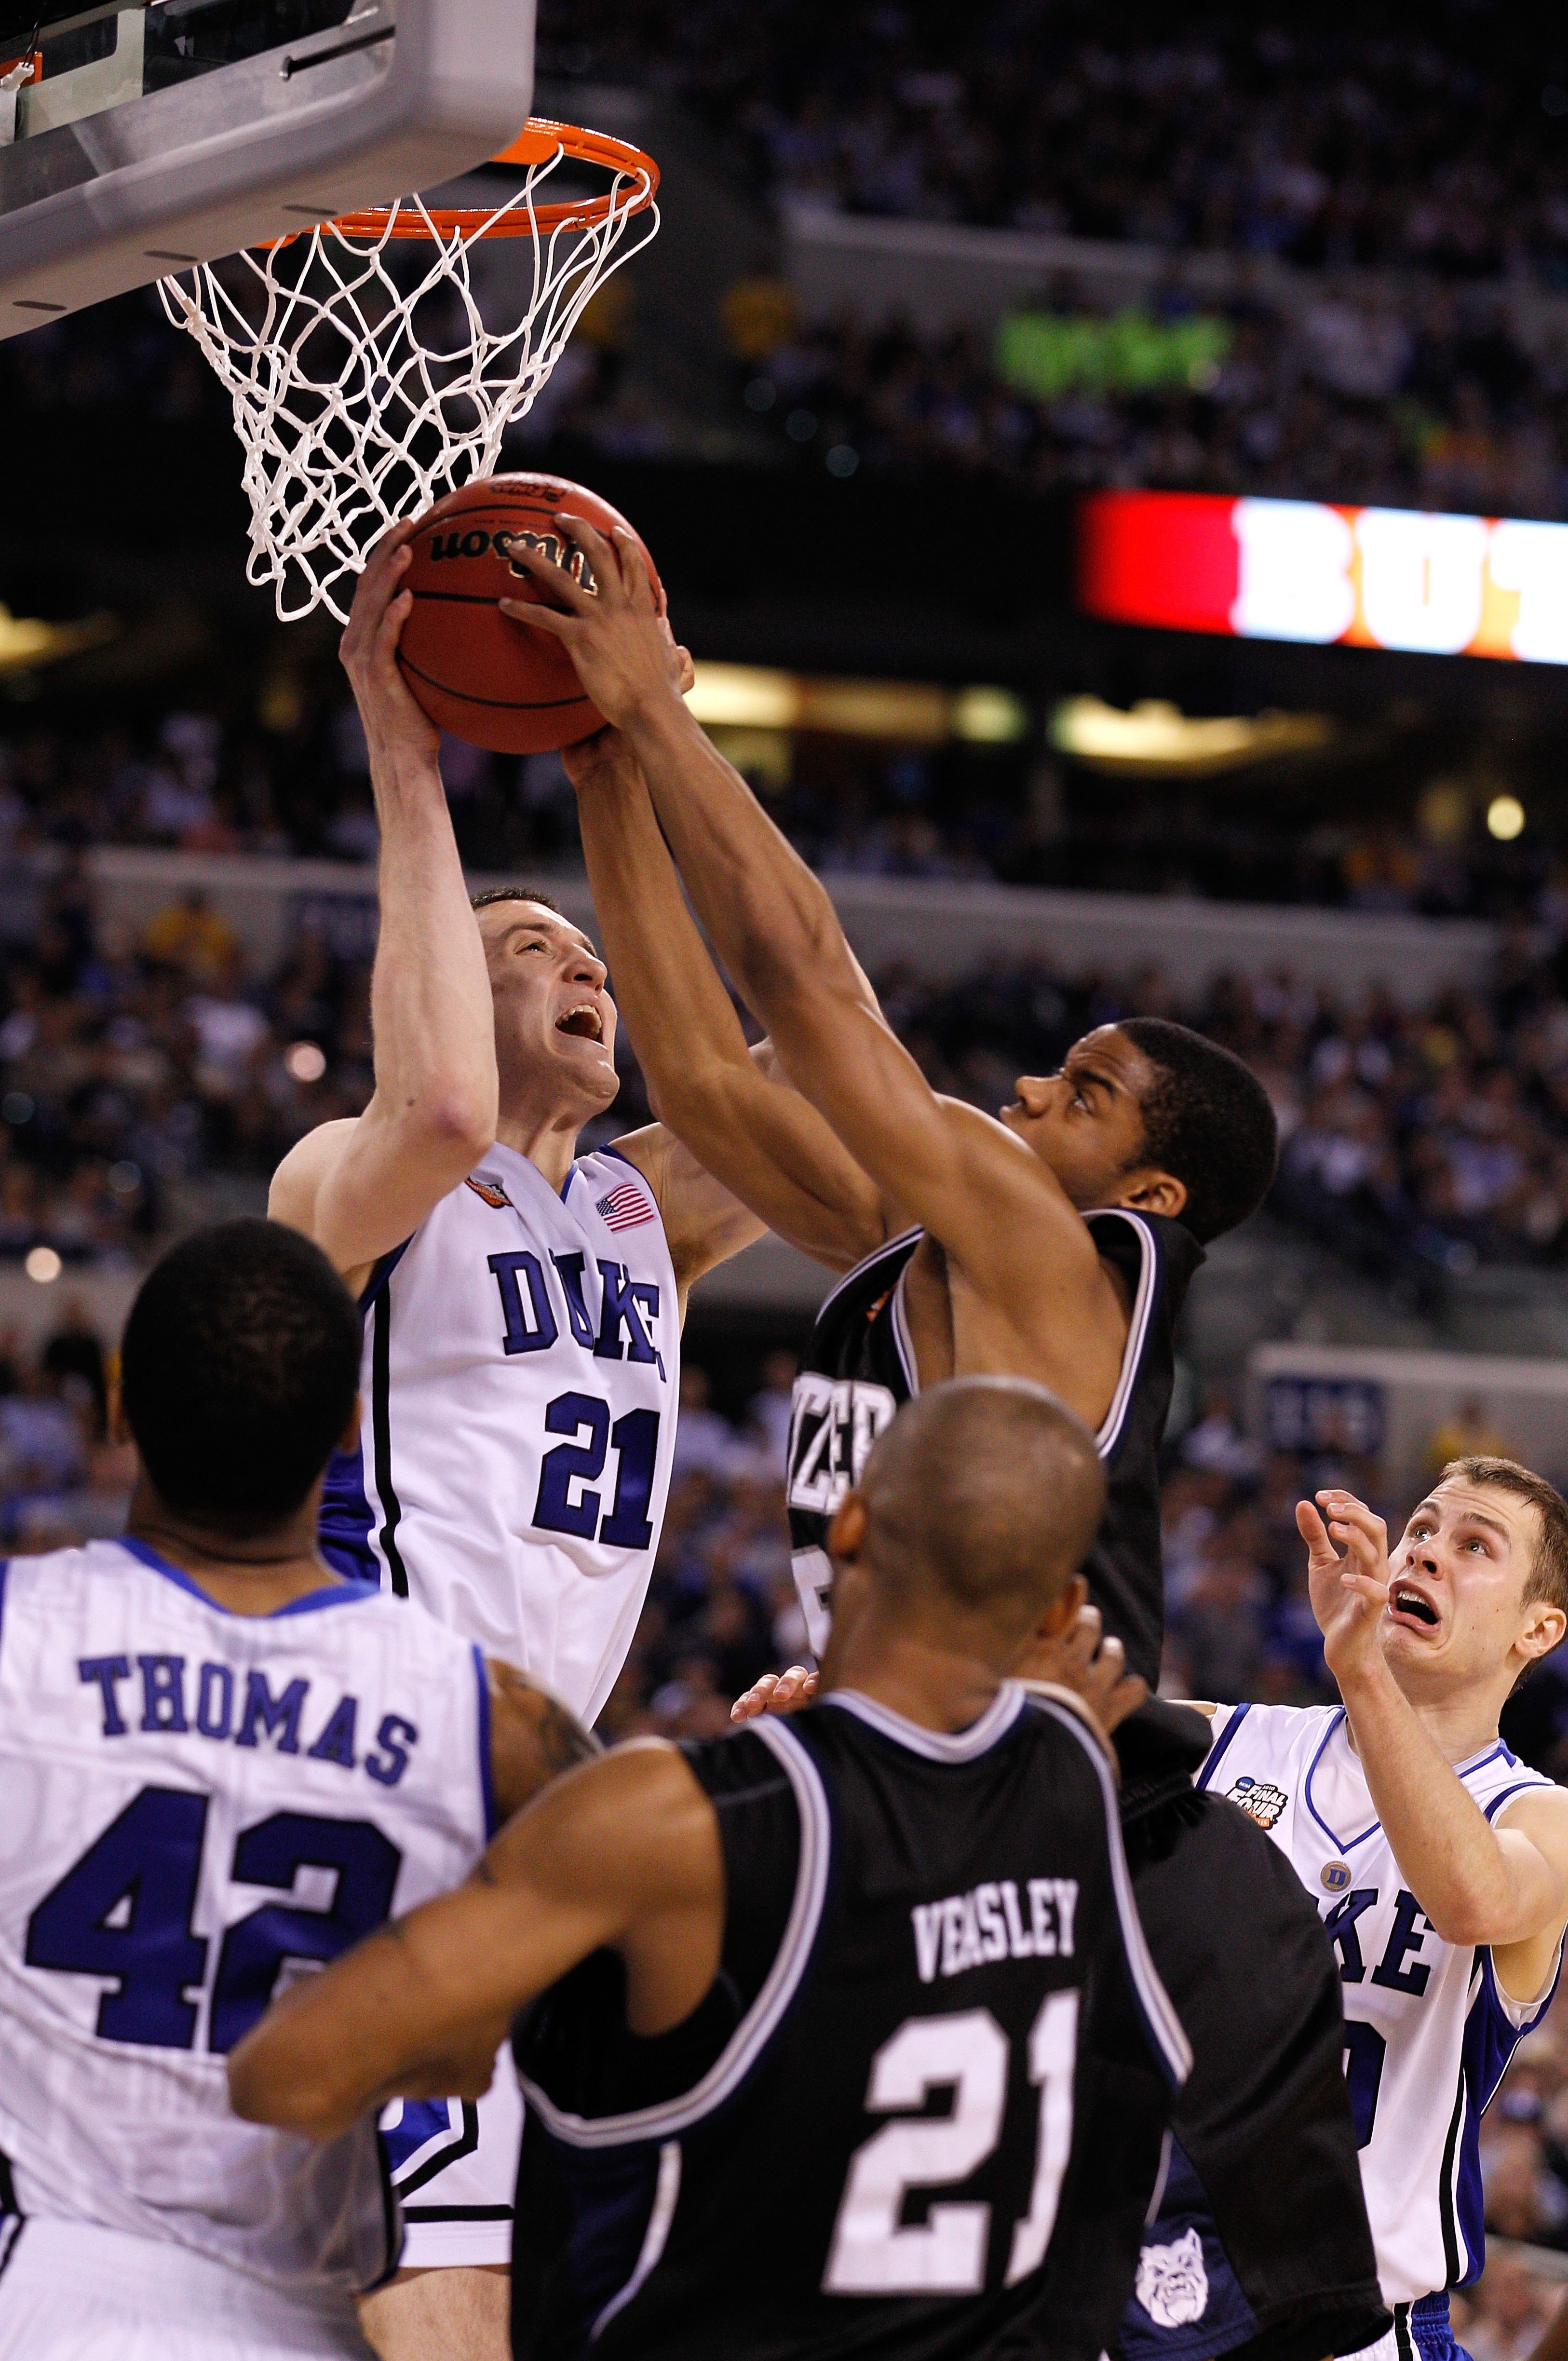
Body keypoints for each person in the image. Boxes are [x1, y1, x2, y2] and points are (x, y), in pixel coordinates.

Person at [495, 511, 1389, 2361]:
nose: (1025, 1087)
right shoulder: (928, 1249)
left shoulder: (1076, 1255)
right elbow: (719, 1076)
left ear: (1140, 1178)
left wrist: (660, 712)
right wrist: (599, 768)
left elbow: (816, 992)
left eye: (1074, 1093)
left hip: (1103, 1828)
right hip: (920, 1792)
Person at [266, 524, 809, 2353]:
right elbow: (428, 1101)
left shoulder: (649, 1204)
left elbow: (817, 1064)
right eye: (525, 949)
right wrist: (407, 754)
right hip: (379, 1763)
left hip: (549, 1797)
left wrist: (638, 746)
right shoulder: (360, 1177)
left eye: (587, 957)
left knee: (532, 2274)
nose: (577, 966)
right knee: (443, 2275)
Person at [231, 1376, 1193, 2361]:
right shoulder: (1081, 1785)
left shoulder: (672, 1820)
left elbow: (290, 2076)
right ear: (1063, 1611)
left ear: (851, 1525)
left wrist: (469, 2033)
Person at [0, 1219, 598, 2361]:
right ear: (348, 1429)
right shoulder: (490, 1716)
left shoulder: (15, 1636)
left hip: (43, 2290)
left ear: (120, 1417)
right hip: (305, 2312)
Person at [1189, 1457, 1568, 2361]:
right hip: (1152, 2304)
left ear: (1539, 1627)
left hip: (1358, 2335)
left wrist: (1360, 1672)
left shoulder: (1542, 1816)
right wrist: (859, 1716)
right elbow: (1035, 1733)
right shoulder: (1228, 1742)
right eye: (1422, 1532)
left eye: (1474, 1545)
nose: (1428, 1555)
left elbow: (1472, 1897)